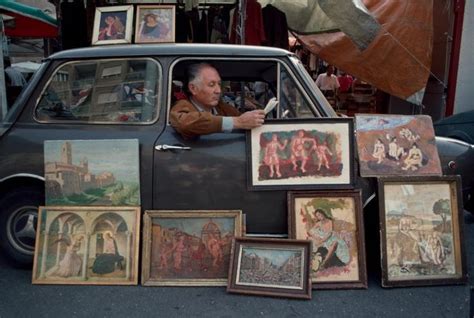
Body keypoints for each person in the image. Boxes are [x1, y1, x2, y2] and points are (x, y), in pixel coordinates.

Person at [170, 63, 265, 139]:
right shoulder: (182, 106)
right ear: (193, 88)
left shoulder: (222, 108)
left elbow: (241, 117)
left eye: (219, 84)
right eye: (211, 85)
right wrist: (238, 122)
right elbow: (185, 124)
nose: (218, 90)